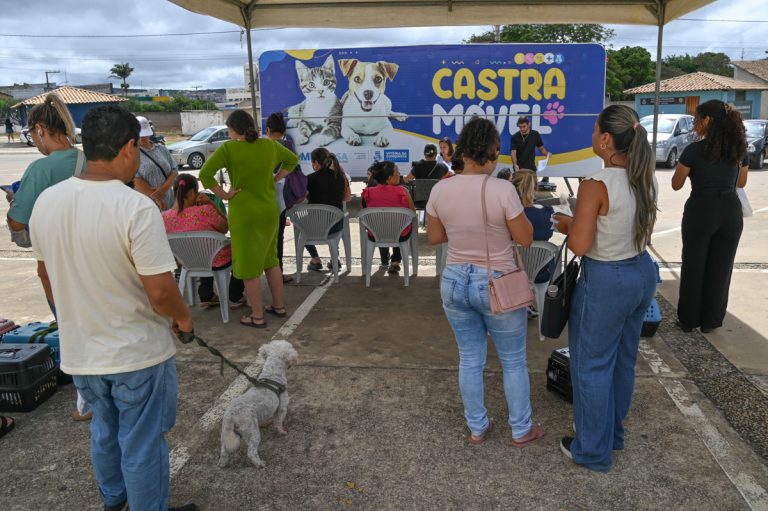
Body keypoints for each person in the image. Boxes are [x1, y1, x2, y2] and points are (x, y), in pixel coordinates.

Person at [29, 105, 196, 511]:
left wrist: (73, 316)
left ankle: (113, 500)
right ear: (125, 149)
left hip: (83, 353)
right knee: (141, 439)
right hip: (135, 352)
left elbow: (46, 276)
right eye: (137, 149)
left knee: (105, 430)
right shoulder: (136, 207)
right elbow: (160, 291)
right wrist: (184, 318)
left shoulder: (47, 202)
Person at [552, 104, 657, 472]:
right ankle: (612, 435)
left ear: (607, 139)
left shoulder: (596, 184)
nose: (592, 135)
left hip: (607, 279)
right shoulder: (644, 176)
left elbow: (580, 245)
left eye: (596, 130)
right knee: (623, 360)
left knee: (591, 365)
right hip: (641, 272)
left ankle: (592, 451)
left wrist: (567, 223)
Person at [426, 117, 542, 448]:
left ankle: (477, 426)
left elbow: (435, 237)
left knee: (470, 358)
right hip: (497, 281)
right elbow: (526, 239)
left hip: (454, 280)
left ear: (462, 151)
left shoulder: (440, 189)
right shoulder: (503, 189)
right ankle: (521, 429)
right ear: (492, 152)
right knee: (513, 360)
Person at [4, 92, 91, 421]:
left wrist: (14, 202)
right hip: (93, 256)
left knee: (71, 328)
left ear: (40, 128)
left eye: (32, 134)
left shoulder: (40, 169)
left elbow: (18, 221)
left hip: (57, 264)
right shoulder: (87, 159)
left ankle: (87, 397)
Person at [199, 109, 298, 328]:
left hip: (243, 212)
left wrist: (224, 194)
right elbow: (292, 160)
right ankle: (279, 306)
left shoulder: (228, 148)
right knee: (271, 260)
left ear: (233, 129)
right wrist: (275, 178)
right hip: (269, 210)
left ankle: (257, 316)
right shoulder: (270, 145)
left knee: (248, 265)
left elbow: (205, 174)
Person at [672, 100, 748, 334]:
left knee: (694, 266)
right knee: (721, 268)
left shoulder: (694, 150)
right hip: (730, 212)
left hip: (700, 211)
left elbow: (676, 184)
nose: (694, 124)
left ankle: (688, 320)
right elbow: (741, 183)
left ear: (708, 121)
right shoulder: (738, 150)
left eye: (696, 119)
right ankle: (711, 321)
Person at [162, 173, 246, 308]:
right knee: (241, 250)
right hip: (213, 259)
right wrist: (212, 204)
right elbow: (226, 227)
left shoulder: (164, 217)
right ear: (191, 192)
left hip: (186, 261)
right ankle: (234, 296)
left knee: (203, 248)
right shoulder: (205, 211)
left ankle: (206, 295)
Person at [265, 112, 306, 283]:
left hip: (262, 198)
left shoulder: (262, 145)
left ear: (267, 129)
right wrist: (276, 178)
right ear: (283, 130)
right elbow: (294, 164)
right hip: (280, 198)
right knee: (278, 239)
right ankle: (278, 273)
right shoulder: (287, 144)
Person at [361, 160, 416, 274]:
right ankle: (396, 260)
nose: (399, 174)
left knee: (382, 224)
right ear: (389, 178)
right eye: (397, 172)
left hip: (376, 235)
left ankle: (384, 260)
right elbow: (413, 212)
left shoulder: (367, 192)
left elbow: (364, 212)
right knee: (400, 224)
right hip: (400, 235)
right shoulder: (403, 191)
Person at [304, 147, 349, 271]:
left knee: (301, 226)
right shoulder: (340, 177)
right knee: (336, 224)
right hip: (335, 226)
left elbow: (303, 198)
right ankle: (335, 258)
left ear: (316, 163)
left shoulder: (309, 178)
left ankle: (315, 259)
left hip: (315, 227)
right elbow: (348, 198)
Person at [134, 116, 177, 210]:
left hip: (170, 200)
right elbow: (135, 180)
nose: (142, 137)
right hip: (148, 204)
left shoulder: (161, 149)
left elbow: (174, 171)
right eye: (139, 135)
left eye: (144, 134)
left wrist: (162, 190)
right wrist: (157, 198)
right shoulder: (133, 153)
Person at [511, 116, 549, 182]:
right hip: (519, 168)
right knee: (519, 189)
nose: (522, 129)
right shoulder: (515, 137)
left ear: (529, 124)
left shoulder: (535, 134)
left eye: (524, 126)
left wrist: (547, 154)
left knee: (532, 188)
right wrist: (515, 164)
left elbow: (541, 149)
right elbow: (513, 152)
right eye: (520, 127)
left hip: (531, 167)